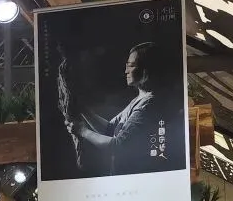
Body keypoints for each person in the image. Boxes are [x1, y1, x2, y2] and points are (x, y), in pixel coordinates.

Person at [74, 42, 176, 174]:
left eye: (131, 66)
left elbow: (118, 146)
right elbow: (110, 129)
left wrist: (82, 131)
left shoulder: (149, 106)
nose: (126, 71)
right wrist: (83, 110)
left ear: (146, 69)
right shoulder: (139, 100)